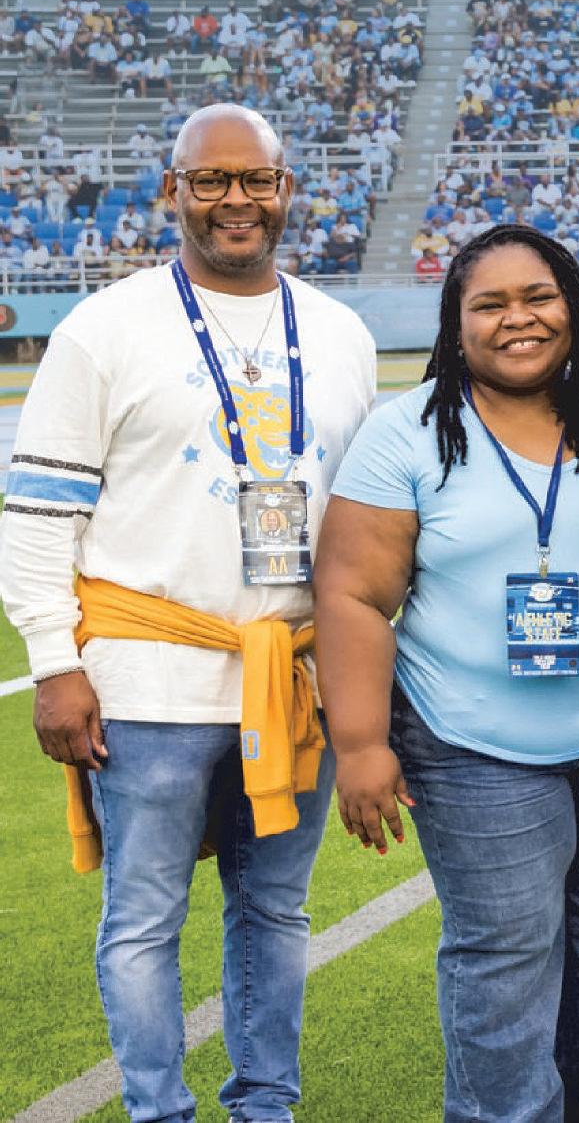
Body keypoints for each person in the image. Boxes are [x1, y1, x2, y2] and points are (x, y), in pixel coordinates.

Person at [3, 105, 379, 1123]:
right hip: (149, 676)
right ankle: (158, 1110)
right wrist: (54, 662)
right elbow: (38, 512)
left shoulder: (339, 332)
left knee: (276, 910)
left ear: (287, 188)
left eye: (256, 179)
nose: (234, 199)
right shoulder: (105, 327)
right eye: (210, 180)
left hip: (293, 675)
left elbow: (365, 520)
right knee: (143, 918)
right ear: (173, 190)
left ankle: (265, 1106)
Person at [315, 224, 579, 1121]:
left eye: (538, 298)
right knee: (505, 957)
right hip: (471, 742)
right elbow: (353, 595)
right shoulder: (407, 432)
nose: (518, 319)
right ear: (456, 322)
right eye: (490, 304)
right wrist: (359, 744)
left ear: (576, 310)